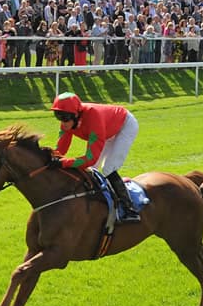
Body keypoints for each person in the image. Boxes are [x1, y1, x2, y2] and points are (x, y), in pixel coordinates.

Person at [51, 92, 141, 223]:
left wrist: (64, 163)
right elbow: (60, 150)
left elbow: (90, 158)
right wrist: (52, 158)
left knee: (108, 168)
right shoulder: (68, 120)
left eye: (64, 117)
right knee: (93, 170)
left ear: (76, 115)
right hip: (106, 129)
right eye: (57, 116)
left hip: (125, 126)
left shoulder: (93, 118)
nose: (62, 121)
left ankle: (130, 209)